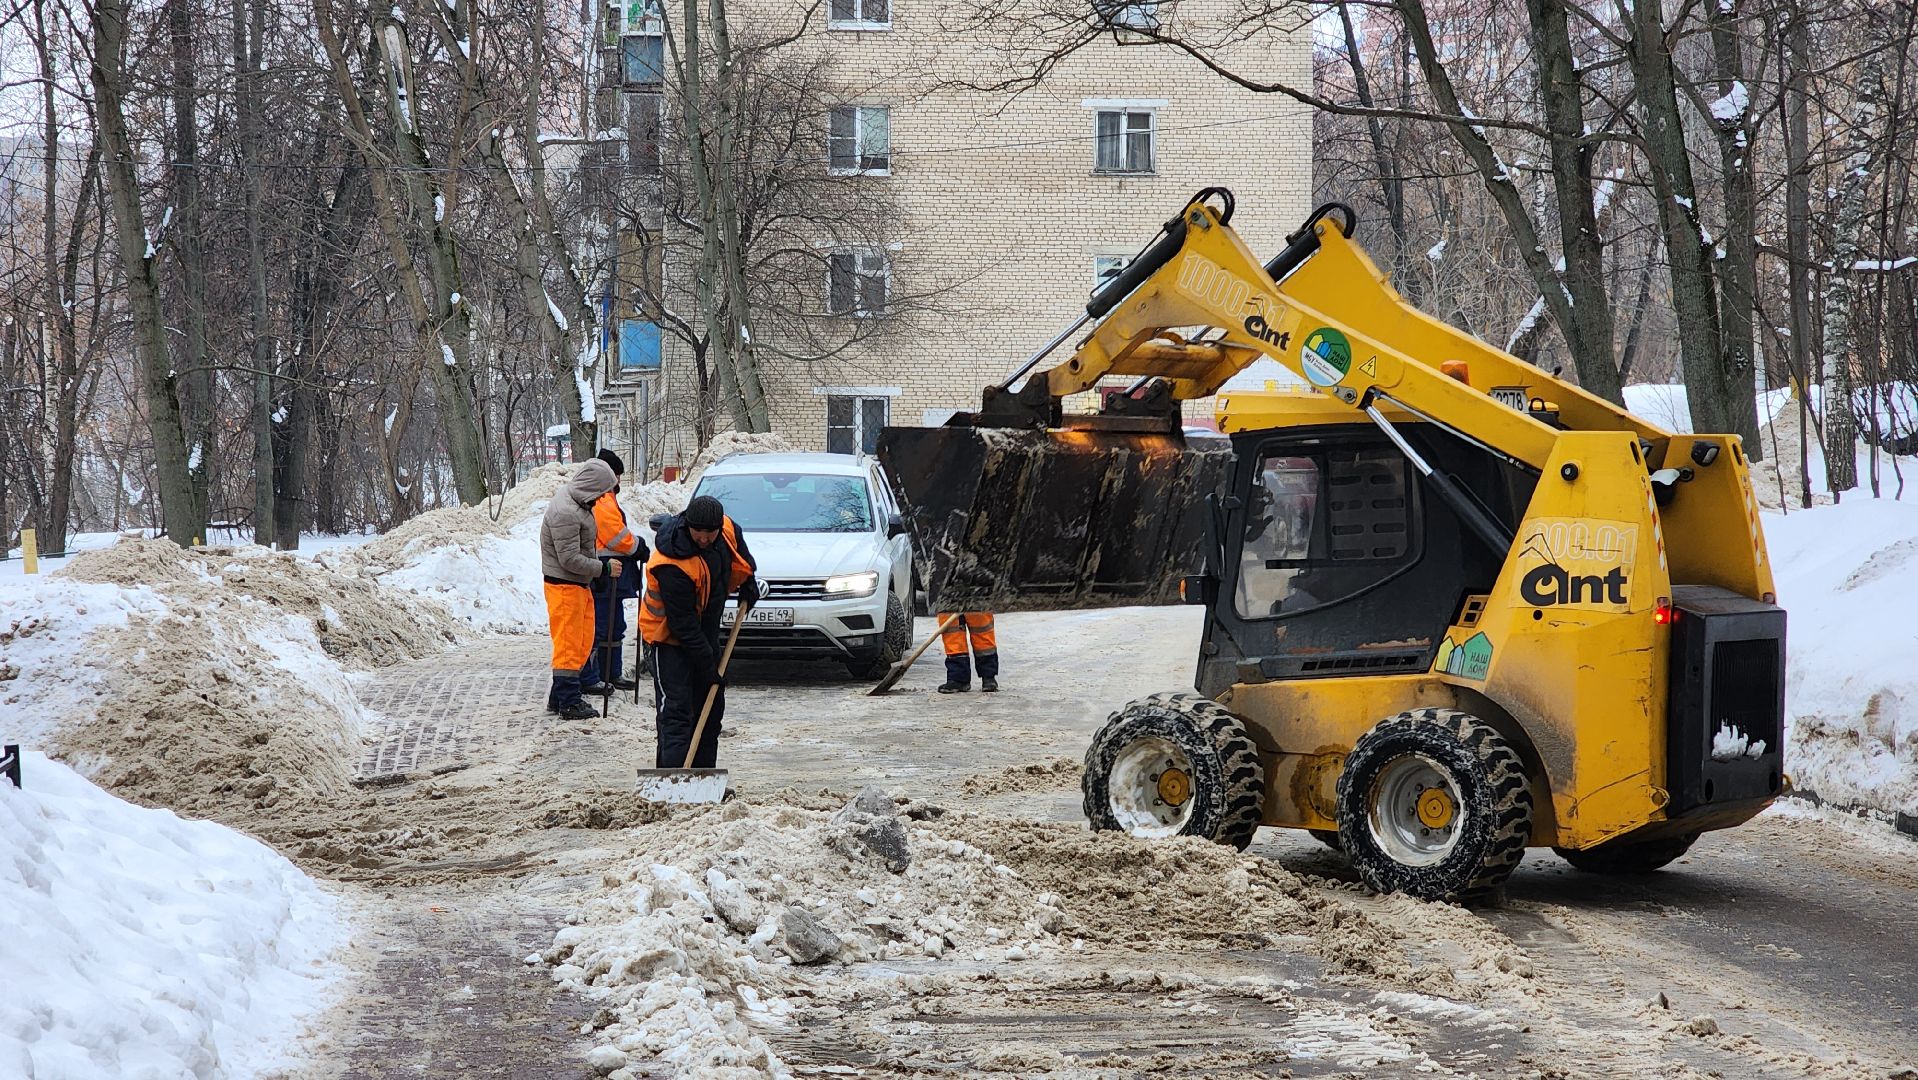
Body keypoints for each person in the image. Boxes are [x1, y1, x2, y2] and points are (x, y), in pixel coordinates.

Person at [639, 494, 759, 768]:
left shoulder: (725, 529)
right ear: (687, 526)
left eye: (710, 533)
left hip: (705, 629)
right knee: (677, 710)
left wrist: (749, 580)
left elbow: (738, 545)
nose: (704, 539)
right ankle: (672, 780)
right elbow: (683, 626)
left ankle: (704, 779)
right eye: (698, 532)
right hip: (667, 639)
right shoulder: (672, 564)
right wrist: (708, 667)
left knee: (711, 706)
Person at [540, 458, 623, 720]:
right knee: (569, 644)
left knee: (583, 640)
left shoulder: (577, 503)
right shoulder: (565, 511)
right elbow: (569, 559)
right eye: (601, 493)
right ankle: (569, 701)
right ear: (592, 487)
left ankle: (560, 695)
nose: (601, 499)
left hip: (577, 584)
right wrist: (604, 568)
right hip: (564, 586)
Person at [579, 449, 648, 694]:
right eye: (617, 475)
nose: (619, 480)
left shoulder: (601, 496)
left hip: (610, 574)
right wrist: (637, 546)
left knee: (612, 625)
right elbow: (615, 534)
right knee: (603, 625)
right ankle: (597, 675)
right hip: (606, 574)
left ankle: (609, 673)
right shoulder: (602, 498)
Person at [937, 611, 998, 693]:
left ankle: (988, 677)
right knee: (953, 634)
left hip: (975, 599)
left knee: (981, 626)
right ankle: (958, 678)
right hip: (949, 600)